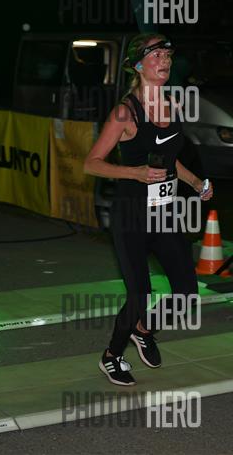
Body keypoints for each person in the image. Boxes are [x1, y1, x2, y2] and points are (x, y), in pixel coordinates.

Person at [83, 34, 214, 386]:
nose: (165, 60)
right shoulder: (125, 112)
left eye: (168, 55)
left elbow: (169, 160)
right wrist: (135, 173)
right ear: (138, 65)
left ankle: (144, 329)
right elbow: (91, 163)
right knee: (140, 294)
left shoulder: (172, 105)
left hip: (164, 212)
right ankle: (112, 356)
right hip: (131, 215)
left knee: (186, 292)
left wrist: (195, 183)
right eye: (157, 55)